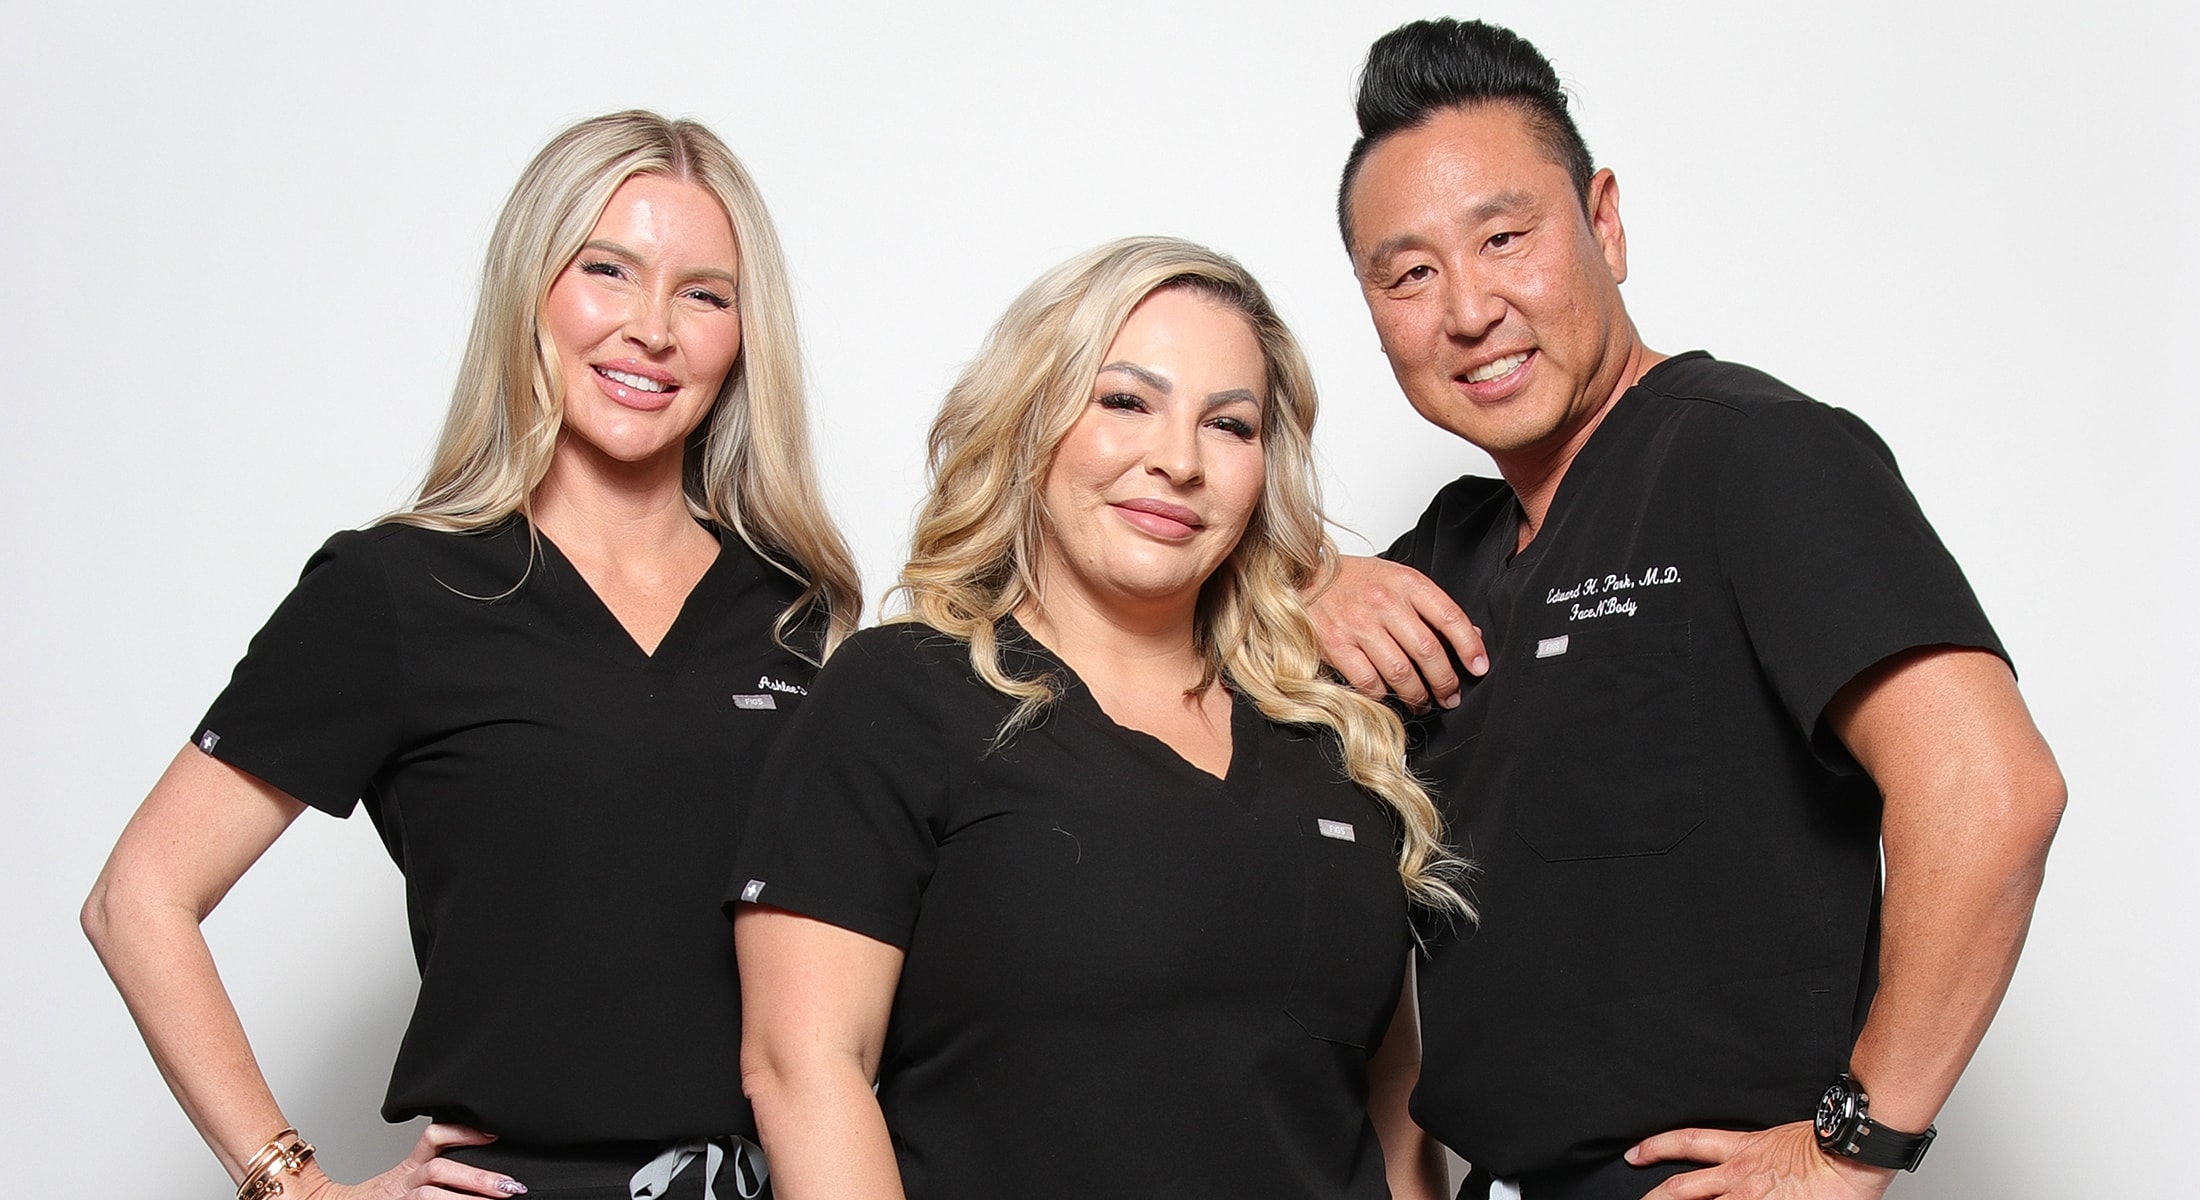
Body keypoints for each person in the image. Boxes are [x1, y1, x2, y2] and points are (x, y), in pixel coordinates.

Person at [1309, 19, 2067, 1200]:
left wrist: (1851, 1146)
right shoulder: (1445, 553)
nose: (1466, 310)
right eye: (1407, 274)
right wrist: (1309, 576)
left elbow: (1991, 788)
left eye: (1505, 238)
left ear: (1602, 221)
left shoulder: (1753, 457)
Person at [81, 110, 859, 1200]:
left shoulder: (796, 614)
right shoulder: (398, 590)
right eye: (608, 270)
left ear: (743, 335)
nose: (653, 328)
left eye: (704, 293)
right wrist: (287, 1184)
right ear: (531, 293)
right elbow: (137, 898)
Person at [730, 236, 1471, 1200]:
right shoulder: (903, 696)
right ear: (1034, 419)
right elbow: (803, 1066)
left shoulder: (1335, 737)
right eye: (1126, 401)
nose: (1178, 461)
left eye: (1229, 425)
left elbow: (1391, 1092)